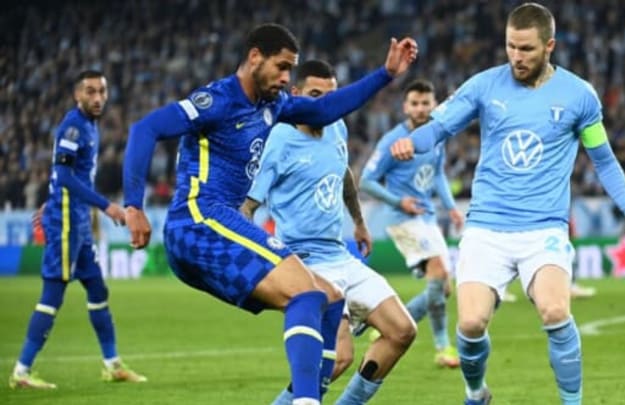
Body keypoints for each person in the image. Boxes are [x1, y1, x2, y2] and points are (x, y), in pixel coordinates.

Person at [122, 24, 417, 405]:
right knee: (307, 294)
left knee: (328, 298)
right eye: (281, 67)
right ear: (255, 57)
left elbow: (325, 108)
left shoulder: (272, 106)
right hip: (198, 219)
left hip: (215, 226)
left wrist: (386, 75)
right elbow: (145, 129)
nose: (284, 78)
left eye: (290, 70)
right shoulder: (218, 100)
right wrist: (134, 205)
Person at [389, 3, 625, 404]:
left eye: (526, 49)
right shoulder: (485, 86)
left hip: (544, 229)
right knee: (469, 323)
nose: (516, 57)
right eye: (510, 47)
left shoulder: (579, 96)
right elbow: (439, 128)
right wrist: (409, 143)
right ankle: (475, 392)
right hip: (486, 227)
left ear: (549, 46)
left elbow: (602, 158)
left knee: (556, 311)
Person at [242, 59, 417, 405]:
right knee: (338, 358)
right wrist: (258, 262)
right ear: (295, 95)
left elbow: (344, 174)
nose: (324, 105)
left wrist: (359, 221)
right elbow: (247, 207)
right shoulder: (278, 139)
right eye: (315, 96)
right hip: (306, 264)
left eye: (330, 97)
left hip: (339, 253)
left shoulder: (336, 127)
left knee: (402, 331)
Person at [9, 71, 146, 389]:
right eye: (90, 92)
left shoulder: (90, 126)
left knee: (98, 290)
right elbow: (66, 175)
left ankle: (112, 365)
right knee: (52, 295)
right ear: (77, 95)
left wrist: (50, 198)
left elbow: (66, 176)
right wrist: (107, 206)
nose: (97, 97)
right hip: (67, 223)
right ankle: (21, 370)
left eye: (102, 91)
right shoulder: (73, 126)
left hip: (78, 222)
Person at [359, 79, 463, 368]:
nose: (420, 108)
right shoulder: (393, 140)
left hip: (427, 217)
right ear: (405, 107)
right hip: (401, 219)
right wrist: (398, 201)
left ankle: (387, 323)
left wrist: (452, 208)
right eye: (414, 103)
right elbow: (366, 181)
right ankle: (443, 348)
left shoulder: (436, 135)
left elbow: (438, 173)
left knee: (443, 288)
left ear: (433, 105)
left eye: (425, 103)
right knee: (439, 271)